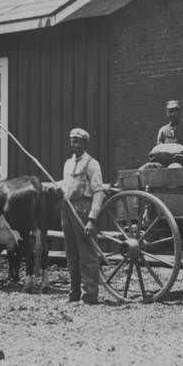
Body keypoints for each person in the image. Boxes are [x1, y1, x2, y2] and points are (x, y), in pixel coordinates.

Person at [59, 127, 106, 304]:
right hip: (67, 209)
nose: (75, 144)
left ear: (85, 143)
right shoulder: (67, 164)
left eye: (79, 141)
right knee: (71, 255)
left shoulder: (92, 164)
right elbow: (67, 185)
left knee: (87, 255)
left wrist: (92, 219)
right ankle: (74, 293)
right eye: (73, 141)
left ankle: (90, 295)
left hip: (83, 210)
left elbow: (99, 191)